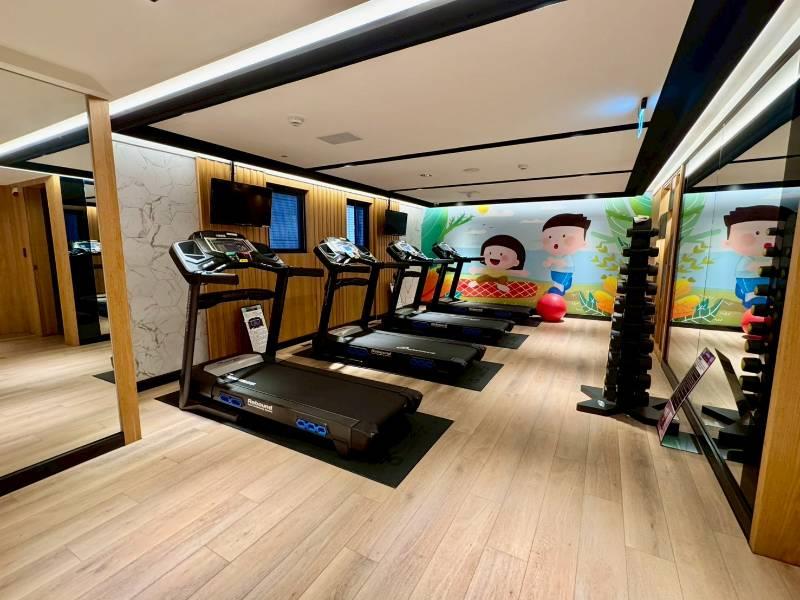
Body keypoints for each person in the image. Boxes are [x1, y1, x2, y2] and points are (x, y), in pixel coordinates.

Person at [723, 205, 788, 308]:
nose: (767, 238)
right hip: (753, 282)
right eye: (757, 233)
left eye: (772, 232)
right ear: (728, 243)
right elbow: (748, 269)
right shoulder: (747, 261)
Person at [541, 213, 591, 296]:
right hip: (557, 272)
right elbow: (551, 264)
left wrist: (553, 261)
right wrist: (548, 263)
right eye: (550, 237)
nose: (555, 242)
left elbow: (562, 263)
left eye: (564, 236)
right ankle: (559, 290)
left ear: (583, 243)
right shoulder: (556, 255)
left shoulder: (566, 257)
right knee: (557, 281)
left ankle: (558, 291)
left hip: (564, 272)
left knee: (559, 282)